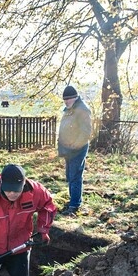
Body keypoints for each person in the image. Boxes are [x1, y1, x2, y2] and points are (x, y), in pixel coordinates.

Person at [57, 85, 92, 216]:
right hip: (68, 148)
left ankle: (74, 205)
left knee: (75, 176)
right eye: (64, 100)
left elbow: (86, 132)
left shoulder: (82, 110)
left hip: (77, 149)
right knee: (70, 176)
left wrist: (75, 146)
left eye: (68, 100)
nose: (66, 102)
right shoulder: (69, 109)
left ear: (75, 98)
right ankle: (73, 200)